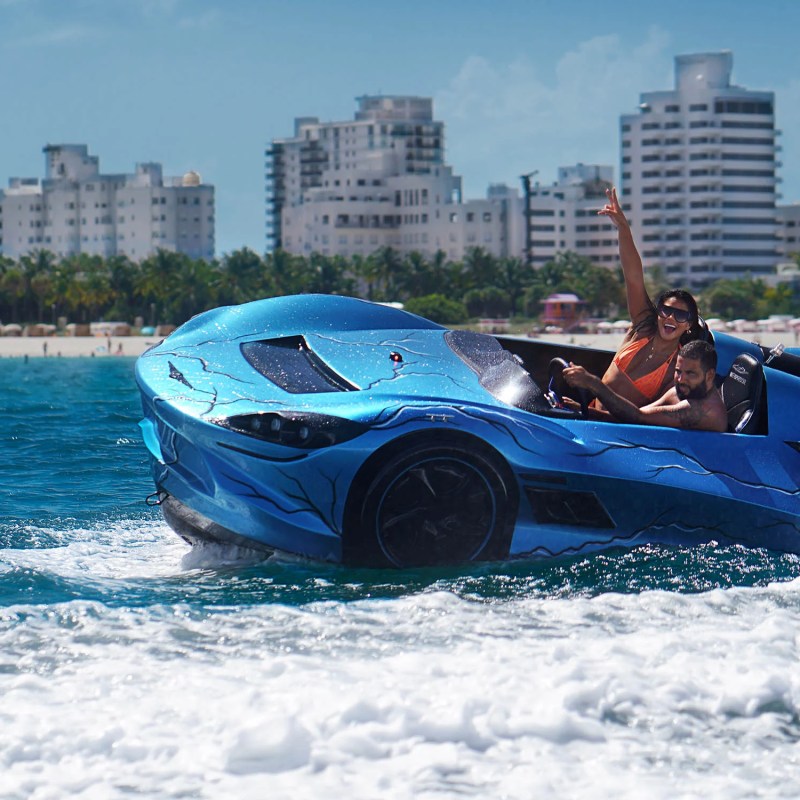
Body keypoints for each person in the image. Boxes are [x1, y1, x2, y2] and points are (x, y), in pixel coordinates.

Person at [591, 187, 706, 417]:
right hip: (586, 410)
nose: (671, 317)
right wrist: (623, 228)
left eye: (681, 315)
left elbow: (640, 416)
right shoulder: (643, 326)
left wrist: (593, 413)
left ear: (689, 325)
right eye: (666, 310)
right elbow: (633, 276)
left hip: (610, 429)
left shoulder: (676, 368)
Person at [563, 340, 728, 432]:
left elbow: (638, 417)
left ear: (710, 375)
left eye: (691, 373)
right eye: (678, 371)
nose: (680, 379)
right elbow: (634, 417)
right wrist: (583, 410)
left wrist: (593, 383)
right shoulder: (681, 391)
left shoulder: (703, 410)